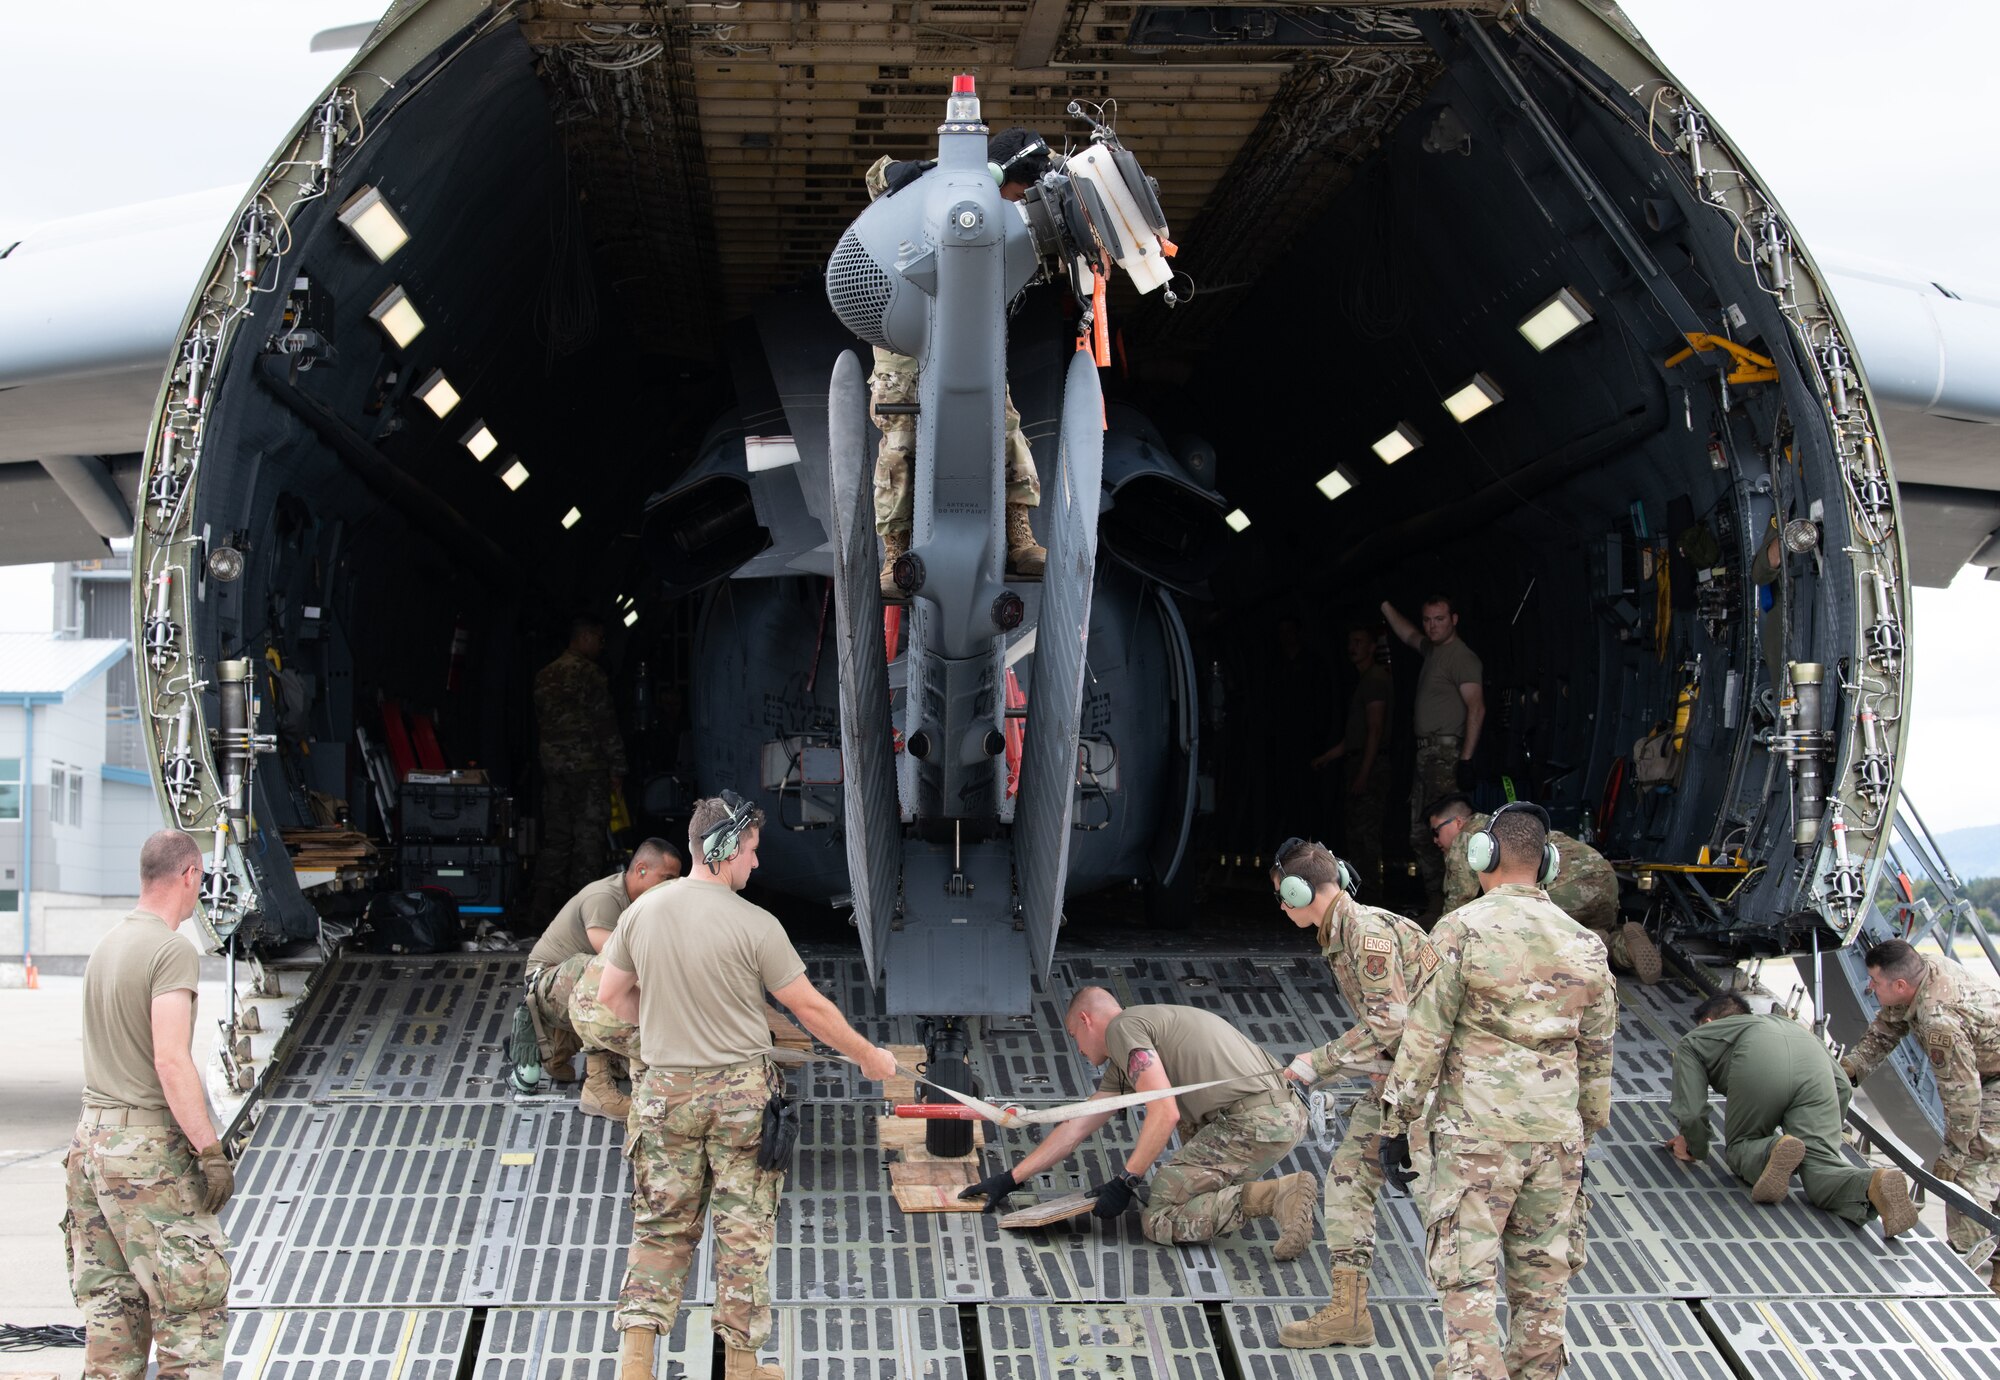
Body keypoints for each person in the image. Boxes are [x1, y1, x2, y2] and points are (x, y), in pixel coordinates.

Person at [599, 794, 898, 1380]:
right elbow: (808, 1007)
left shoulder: (643, 912)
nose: (756, 865)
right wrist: (868, 1056)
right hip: (739, 1098)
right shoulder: (756, 925)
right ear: (725, 850)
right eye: (753, 851)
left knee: (660, 1226)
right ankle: (740, 1366)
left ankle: (635, 1365)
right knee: (743, 1229)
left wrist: (666, 1023)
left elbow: (611, 996)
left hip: (664, 1094)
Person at [1378, 802, 1616, 1380]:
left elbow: (1425, 1037)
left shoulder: (1461, 930)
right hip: (1557, 1140)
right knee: (1543, 1284)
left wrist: (1396, 1125)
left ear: (1483, 857)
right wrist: (1585, 1129)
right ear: (1549, 865)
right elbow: (1598, 1054)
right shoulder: (1585, 943)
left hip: (1477, 1136)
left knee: (1468, 1285)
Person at [957, 989, 1318, 1257]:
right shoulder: (1140, 1035)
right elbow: (1077, 1126)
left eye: (1074, 1037)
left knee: (1159, 1215)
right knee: (1174, 1186)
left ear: (1086, 1021)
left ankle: (1276, 1196)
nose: (1078, 1050)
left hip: (1255, 1121)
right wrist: (1010, 1179)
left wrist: (1125, 1180)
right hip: (1277, 1114)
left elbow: (1166, 1111)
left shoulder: (1123, 1029)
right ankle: (1252, 1195)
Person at [64, 829, 231, 1380]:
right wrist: (210, 1150)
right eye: (200, 882)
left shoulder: (106, 947)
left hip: (90, 1148)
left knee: (114, 1318)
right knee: (191, 1312)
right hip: (143, 1155)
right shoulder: (169, 949)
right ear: (187, 876)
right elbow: (171, 1061)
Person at [863, 127, 1049, 597]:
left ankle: (1018, 541)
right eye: (1018, 191)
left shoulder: (1004, 215)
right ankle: (895, 555)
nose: (1018, 202)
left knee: (1006, 431)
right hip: (906, 346)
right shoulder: (939, 191)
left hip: (971, 343)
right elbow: (877, 176)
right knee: (900, 446)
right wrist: (914, 173)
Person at [1272, 839, 1439, 1348]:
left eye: (1283, 895)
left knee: (1445, 1203)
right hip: (1404, 1078)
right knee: (1347, 1178)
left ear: (1303, 892)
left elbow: (1390, 1022)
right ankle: (1349, 1313)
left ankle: (1478, 1344)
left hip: (1438, 1085)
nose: (1281, 906)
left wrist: (1314, 1063)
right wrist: (1380, 1065)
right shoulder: (1345, 932)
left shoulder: (1365, 935)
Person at [1665, 992, 1917, 1239]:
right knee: (1821, 1168)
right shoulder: (1790, 1025)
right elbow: (1840, 1084)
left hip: (1759, 1062)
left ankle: (1773, 1149)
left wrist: (1693, 1144)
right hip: (1815, 1069)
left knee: (1741, 1146)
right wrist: (1828, 1134)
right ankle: (1872, 1183)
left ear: (1707, 1023)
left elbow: (1692, 1110)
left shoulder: (1698, 1037)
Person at [1840, 938, 2000, 1288]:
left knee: (1970, 1174)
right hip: (1985, 1072)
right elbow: (1886, 1029)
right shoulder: (1919, 968)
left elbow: (1963, 1096)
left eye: (1875, 982)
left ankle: (1960, 1272)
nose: (1869, 987)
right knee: (1989, 1171)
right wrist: (1846, 1072)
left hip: (1991, 1079)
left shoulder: (1937, 1019)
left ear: (1900, 985)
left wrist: (1953, 1154)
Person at [1429, 794, 1660, 984]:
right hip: (1605, 881)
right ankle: (1621, 946)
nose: (1435, 841)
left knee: (1515, 935)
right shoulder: (1509, 827)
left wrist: (1434, 951)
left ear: (1458, 822)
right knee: (1575, 937)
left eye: (1436, 831)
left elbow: (1456, 905)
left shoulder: (1470, 837)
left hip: (1569, 886)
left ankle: (1603, 942)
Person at [524, 839, 680, 1116]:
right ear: (641, 869)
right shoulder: (605, 897)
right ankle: (596, 1088)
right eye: (666, 878)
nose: (671, 887)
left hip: (572, 989)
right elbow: (611, 959)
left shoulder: (645, 904)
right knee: (607, 974)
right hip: (547, 984)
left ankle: (560, 1045)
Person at [1380, 595, 1483, 911]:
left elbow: (1476, 707)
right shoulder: (1433, 651)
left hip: (1445, 755)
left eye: (1439, 619)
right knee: (1421, 835)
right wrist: (1385, 604)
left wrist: (1465, 759)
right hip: (1426, 756)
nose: (1432, 626)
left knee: (1448, 835)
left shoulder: (1461, 658)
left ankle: (1457, 905)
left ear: (1454, 619)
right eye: (1427, 620)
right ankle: (1437, 903)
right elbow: (1408, 634)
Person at [528, 614, 627, 924]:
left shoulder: (545, 675)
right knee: (588, 838)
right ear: (583, 637)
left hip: (554, 770)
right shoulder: (590, 675)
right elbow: (605, 725)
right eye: (597, 639)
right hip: (588, 770)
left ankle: (542, 906)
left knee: (556, 837)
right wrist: (618, 767)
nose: (600, 646)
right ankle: (580, 912)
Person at [1312, 625, 1392, 893]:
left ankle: (1372, 896)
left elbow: (1375, 729)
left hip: (1369, 764)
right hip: (1358, 761)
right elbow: (1356, 737)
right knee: (1356, 834)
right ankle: (1362, 893)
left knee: (1366, 835)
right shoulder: (1363, 680)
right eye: (1350, 641)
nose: (1352, 647)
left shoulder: (1375, 679)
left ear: (1372, 647)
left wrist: (1364, 773)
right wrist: (1327, 756)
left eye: (1359, 641)